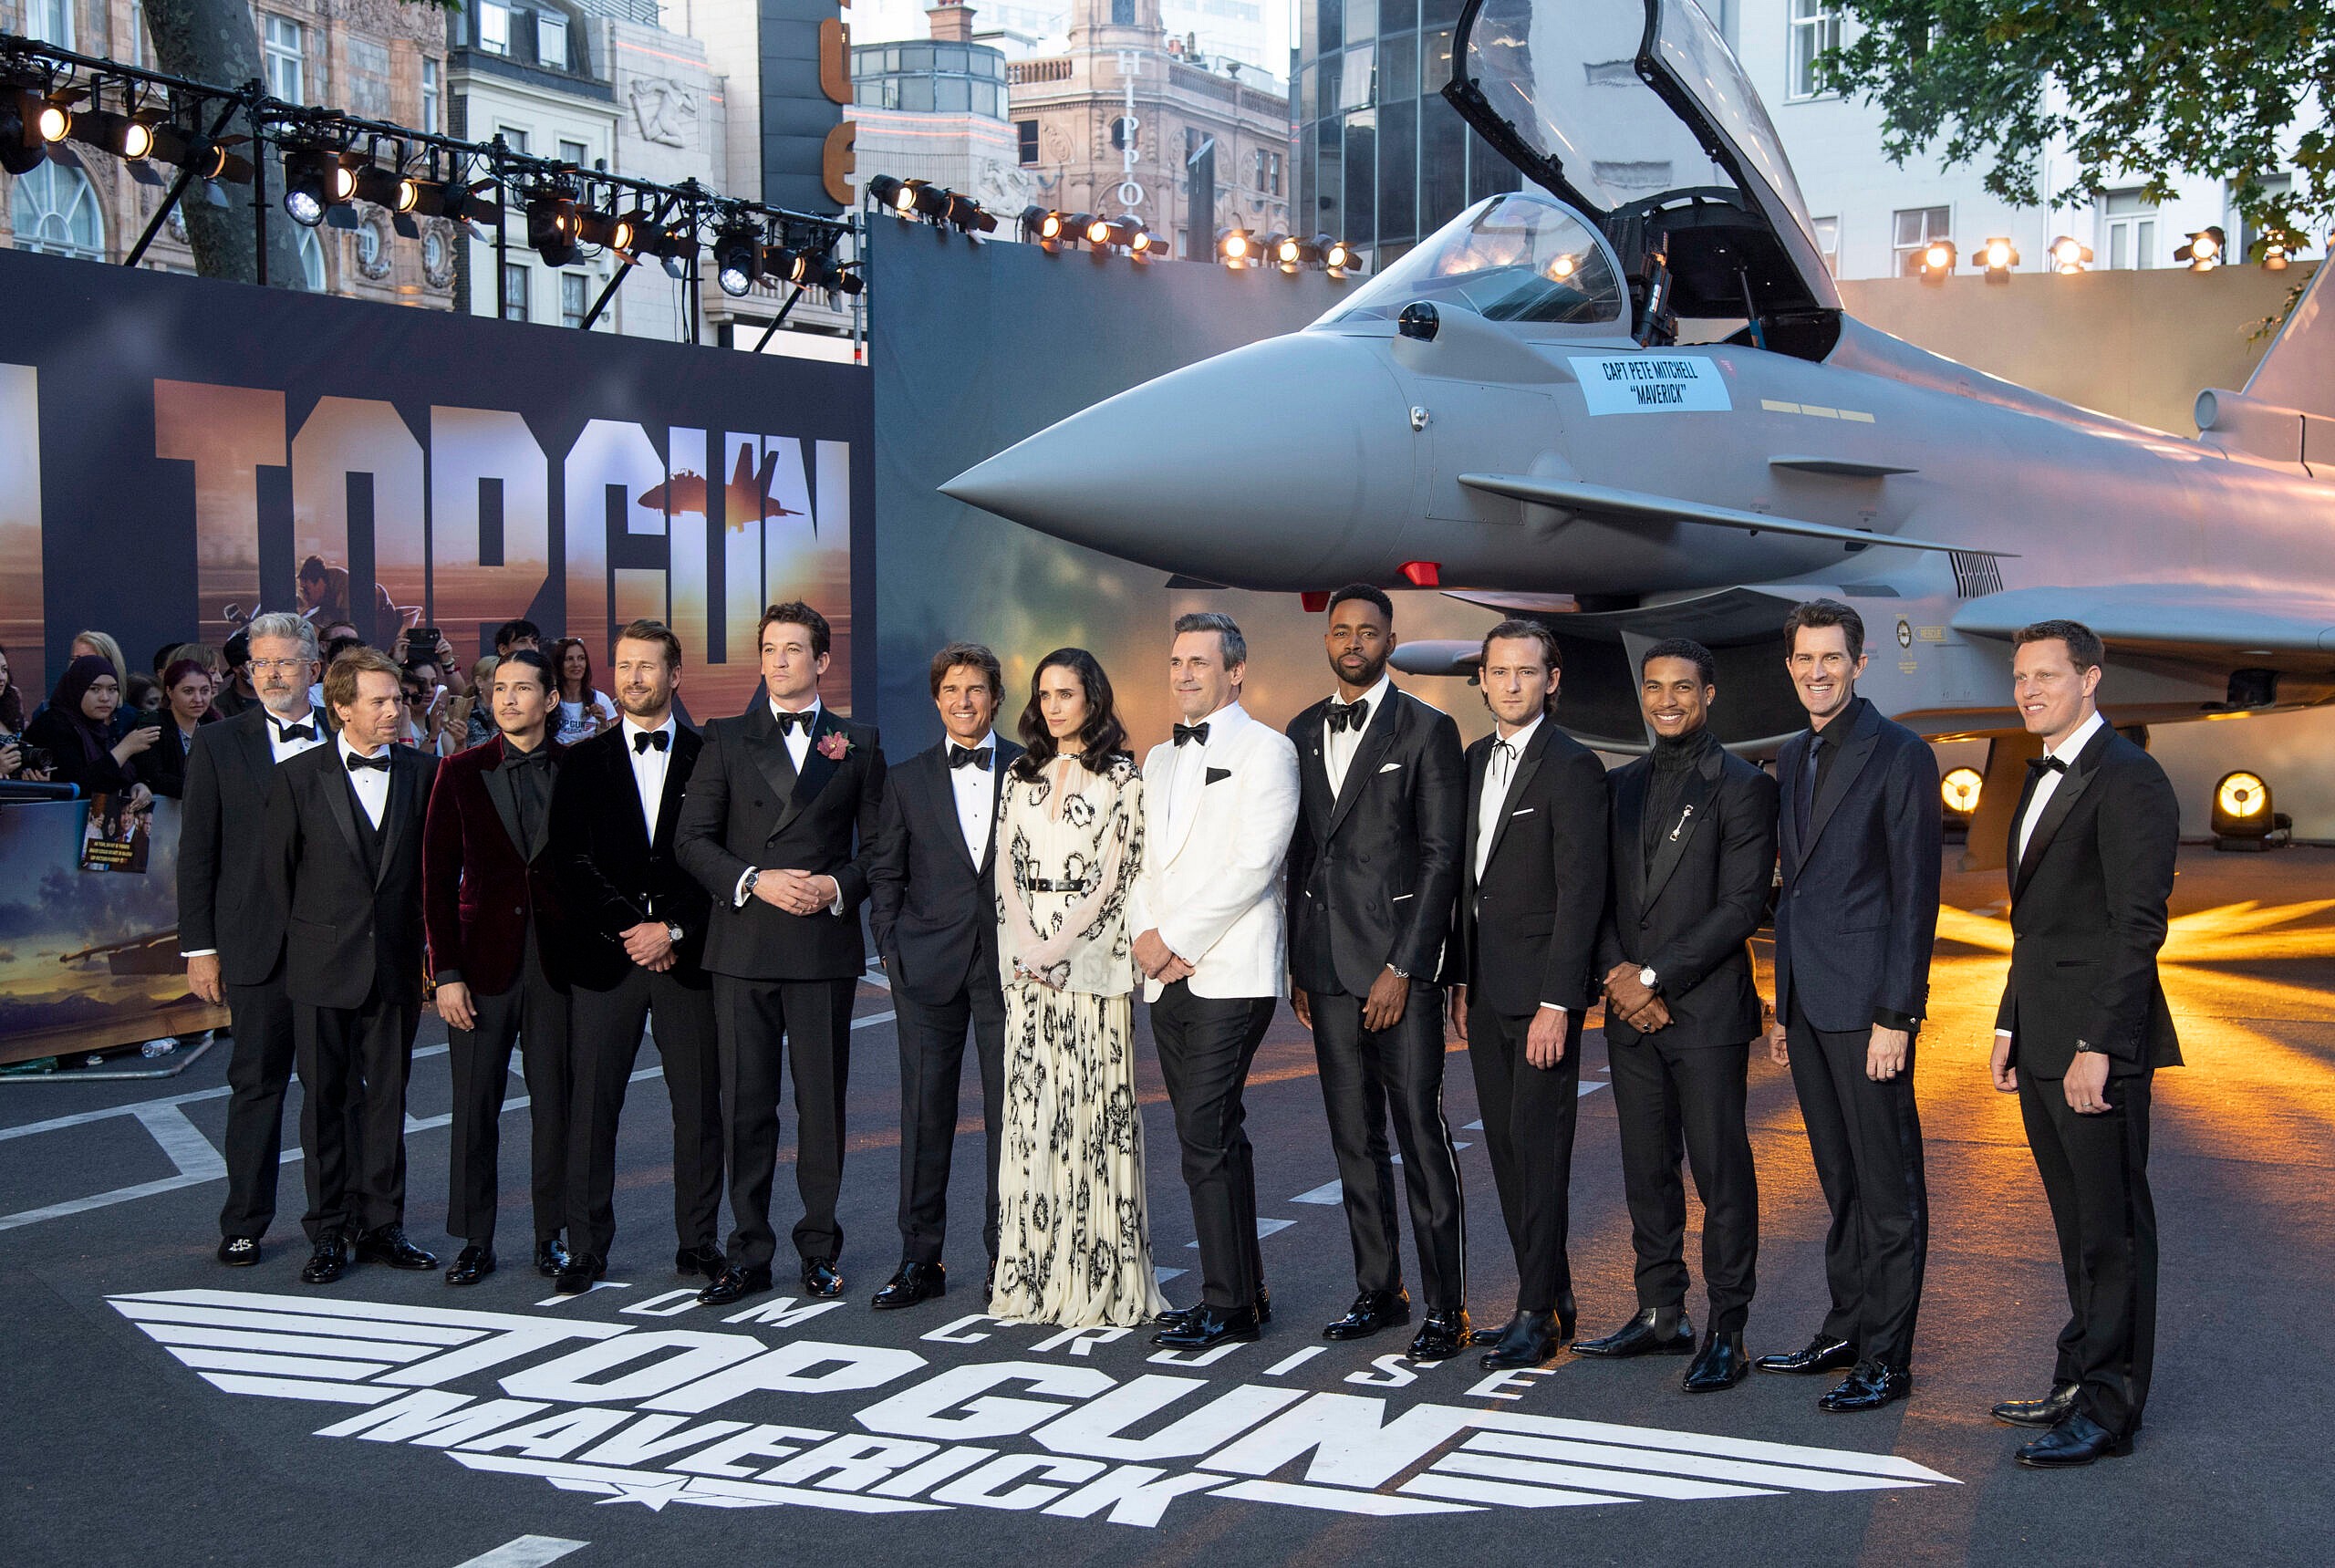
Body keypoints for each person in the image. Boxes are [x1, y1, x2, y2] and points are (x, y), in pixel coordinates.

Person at [1988, 619, 2180, 1469]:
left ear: (2091, 678)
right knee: (2075, 1227)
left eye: (2046, 676)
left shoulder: (2130, 777)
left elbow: (2137, 927)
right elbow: (2037, 925)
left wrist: (2099, 1043)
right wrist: (2008, 1018)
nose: (2029, 690)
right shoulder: (2040, 770)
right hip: (2041, 1035)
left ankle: (2110, 1409)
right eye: (2021, 676)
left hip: (2096, 1045)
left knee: (2112, 1231)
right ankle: (2077, 1376)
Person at [1578, 639, 1778, 1393]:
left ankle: (1729, 1328)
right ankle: (1661, 1309)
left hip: (1706, 1013)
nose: (1667, 700)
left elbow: (1741, 906)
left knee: (1721, 1174)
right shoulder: (1619, 785)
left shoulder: (1744, 787)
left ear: (1710, 695)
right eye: (1655, 687)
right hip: (1632, 1012)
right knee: (1646, 1169)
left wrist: (1652, 975)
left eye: (1683, 688)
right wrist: (1618, 978)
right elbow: (1599, 897)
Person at [677, 601, 886, 1308]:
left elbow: (880, 850)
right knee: (746, 1107)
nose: (779, 660)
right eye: (769, 647)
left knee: (822, 1109)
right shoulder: (727, 736)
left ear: (822, 660)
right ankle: (749, 1251)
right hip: (743, 947)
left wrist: (833, 884)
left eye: (794, 649)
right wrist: (754, 879)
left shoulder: (858, 742)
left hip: (822, 947)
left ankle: (820, 1250)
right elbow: (692, 840)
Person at [1759, 600, 1940, 1413]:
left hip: (1871, 1012)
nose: (1817, 671)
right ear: (1791, 665)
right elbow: (1793, 894)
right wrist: (1780, 1002)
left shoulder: (1901, 755)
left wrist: (1897, 1016)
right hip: (1808, 1005)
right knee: (1841, 1183)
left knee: (1889, 1190)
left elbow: (1915, 898)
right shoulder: (1791, 754)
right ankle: (1848, 1324)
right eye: (1804, 658)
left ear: (1859, 664)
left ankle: (1888, 1358)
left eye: (1831, 658)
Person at [1284, 586, 1471, 1360]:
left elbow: (1440, 859)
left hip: (1399, 972)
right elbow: (1299, 854)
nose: (1354, 641)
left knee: (1420, 1133)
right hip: (1327, 970)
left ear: (1392, 638)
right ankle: (1379, 1289)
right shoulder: (1298, 728)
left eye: (1368, 630)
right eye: (1342, 630)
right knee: (1352, 1139)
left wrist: (1406, 965)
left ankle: (1446, 1307)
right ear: (1328, 639)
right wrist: (1300, 963)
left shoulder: (1429, 728)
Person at [1130, 611, 1301, 1350]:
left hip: (1231, 967)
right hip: (1166, 974)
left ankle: (1228, 1302)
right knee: (1211, 1130)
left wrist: (1176, 938)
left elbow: (1255, 862)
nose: (1185, 674)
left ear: (1236, 671)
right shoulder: (1156, 760)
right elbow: (1145, 862)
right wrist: (1146, 938)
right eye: (1176, 662)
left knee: (1203, 1126)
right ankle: (1242, 1292)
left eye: (1200, 661)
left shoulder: (1270, 750)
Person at [1447, 619, 1610, 1373]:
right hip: (1487, 990)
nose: (1510, 684)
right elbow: (1467, 882)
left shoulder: (1573, 766)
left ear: (1552, 679)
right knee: (1509, 1152)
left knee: (1540, 1153)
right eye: (1498, 671)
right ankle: (1552, 1294)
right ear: (1481, 678)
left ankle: (1533, 1314)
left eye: (1525, 672)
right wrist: (1461, 976)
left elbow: (1582, 893)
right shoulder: (1475, 759)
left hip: (1542, 997)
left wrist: (1560, 1000)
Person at [986, 648, 1164, 1327]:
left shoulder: (1123, 775)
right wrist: (1031, 945)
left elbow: (1117, 873)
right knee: (1032, 1119)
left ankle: (1099, 1276)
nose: (1055, 705)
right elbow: (1004, 863)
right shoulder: (1019, 773)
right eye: (1046, 694)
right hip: (1027, 965)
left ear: (1094, 696)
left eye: (1067, 692)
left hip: (1089, 966)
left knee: (1092, 1114)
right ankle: (1032, 1276)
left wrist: (1058, 945)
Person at [547, 619, 726, 1295]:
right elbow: (569, 859)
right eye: (623, 666)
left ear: (675, 676)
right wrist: (635, 926)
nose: (633, 679)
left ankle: (699, 1241)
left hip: (690, 958)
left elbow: (721, 860)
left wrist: (674, 928)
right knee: (591, 1107)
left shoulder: (713, 758)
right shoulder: (581, 761)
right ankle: (586, 1246)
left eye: (647, 667)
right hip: (607, 958)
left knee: (698, 1106)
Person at [264, 647, 440, 1284]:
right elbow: (278, 879)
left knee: (389, 1101)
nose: (395, 709)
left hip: (394, 964)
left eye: (398, 699)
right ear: (340, 707)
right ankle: (330, 1229)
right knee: (327, 1102)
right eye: (380, 700)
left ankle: (383, 1225)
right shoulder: (297, 778)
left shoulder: (425, 771)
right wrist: (306, 948)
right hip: (321, 966)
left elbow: (435, 873)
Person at [864, 643, 1023, 1310]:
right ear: (936, 699)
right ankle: (919, 1258)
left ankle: (1004, 1260)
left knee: (1007, 1122)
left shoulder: (1031, 768)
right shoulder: (905, 778)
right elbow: (885, 873)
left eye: (977, 688)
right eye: (952, 689)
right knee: (924, 1117)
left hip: (1013, 971)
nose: (964, 700)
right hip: (925, 971)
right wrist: (894, 954)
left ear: (995, 698)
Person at [421, 649, 575, 1287]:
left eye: (522, 688)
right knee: (474, 1106)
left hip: (561, 967)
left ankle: (552, 1236)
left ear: (551, 700)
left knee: (556, 1107)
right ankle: (476, 1239)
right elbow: (434, 879)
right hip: (480, 966)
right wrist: (444, 972)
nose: (507, 699)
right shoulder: (458, 771)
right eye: (499, 688)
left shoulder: (582, 769)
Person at [181, 613, 328, 1265]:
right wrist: (200, 947)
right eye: (259, 664)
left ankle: (335, 1220)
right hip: (253, 945)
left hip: (334, 944)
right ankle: (245, 1220)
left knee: (333, 1089)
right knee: (257, 1087)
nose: (270, 675)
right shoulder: (217, 743)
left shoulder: (349, 733)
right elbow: (198, 853)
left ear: (314, 669)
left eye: (285, 663)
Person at [26, 656, 156, 802]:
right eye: (95, 689)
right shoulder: (53, 725)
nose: (105, 697)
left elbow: (115, 779)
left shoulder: (101, 728)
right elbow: (79, 786)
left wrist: (137, 786)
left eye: (112, 689)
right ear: (77, 689)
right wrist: (125, 749)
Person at [139, 658, 221, 801]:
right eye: (188, 691)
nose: (198, 699)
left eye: (204, 691)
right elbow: (154, 777)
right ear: (169, 691)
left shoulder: (215, 725)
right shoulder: (153, 724)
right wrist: (204, 790)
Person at [551, 637, 616, 744]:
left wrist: (603, 723)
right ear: (559, 664)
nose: (576, 664)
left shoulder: (600, 699)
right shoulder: (549, 700)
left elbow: (611, 743)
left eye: (581, 658)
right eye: (569, 659)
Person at [213, 630, 258, 719]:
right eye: (255, 664)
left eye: (265, 662)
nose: (264, 669)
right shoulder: (220, 706)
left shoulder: (280, 698)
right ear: (237, 668)